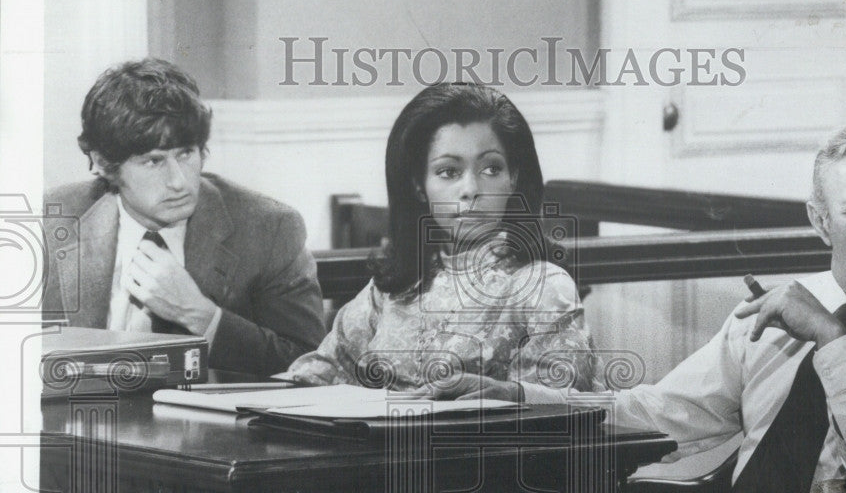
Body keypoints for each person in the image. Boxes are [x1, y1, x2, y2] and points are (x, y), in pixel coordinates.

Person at [612, 119, 846, 493]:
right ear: (821, 221)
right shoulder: (778, 308)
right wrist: (544, 400)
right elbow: (665, 414)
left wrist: (832, 338)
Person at [284, 83, 599, 401]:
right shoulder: (397, 284)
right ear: (419, 187)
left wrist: (504, 395)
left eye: (491, 168)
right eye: (449, 171)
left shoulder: (543, 285)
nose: (471, 189)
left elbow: (563, 408)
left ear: (514, 178)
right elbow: (322, 370)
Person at [43, 58, 326, 376]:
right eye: (153, 161)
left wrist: (201, 315)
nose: (179, 181)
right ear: (103, 163)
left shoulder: (270, 228)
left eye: (186, 153)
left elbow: (310, 364)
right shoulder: (52, 221)